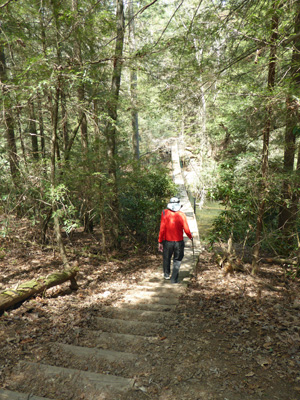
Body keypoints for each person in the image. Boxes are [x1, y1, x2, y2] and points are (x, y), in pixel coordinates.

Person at [158, 197, 193, 283]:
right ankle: (174, 279)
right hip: (178, 242)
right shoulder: (182, 215)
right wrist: (190, 237)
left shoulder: (164, 213)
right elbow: (186, 229)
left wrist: (160, 241)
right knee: (177, 259)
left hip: (167, 241)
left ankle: (166, 274)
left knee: (166, 257)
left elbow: (162, 228)